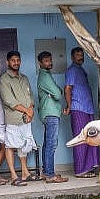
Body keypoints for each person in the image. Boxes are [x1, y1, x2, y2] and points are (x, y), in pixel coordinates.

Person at [0, 51, 39, 186]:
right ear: (7, 62)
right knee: (10, 145)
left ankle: (25, 173)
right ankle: (13, 175)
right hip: (13, 118)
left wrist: (31, 111)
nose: (16, 63)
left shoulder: (24, 78)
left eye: (18, 60)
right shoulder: (4, 79)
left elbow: (30, 96)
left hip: (26, 118)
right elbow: (9, 100)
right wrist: (27, 111)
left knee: (24, 145)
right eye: (13, 60)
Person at [64, 47, 100, 178]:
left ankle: (89, 167)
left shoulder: (81, 70)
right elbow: (67, 89)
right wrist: (69, 106)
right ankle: (80, 170)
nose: (80, 57)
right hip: (78, 108)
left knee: (91, 138)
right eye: (78, 55)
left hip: (88, 108)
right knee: (80, 139)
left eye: (81, 55)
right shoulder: (72, 70)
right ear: (72, 57)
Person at [37, 51, 69, 183]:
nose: (49, 63)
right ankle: (50, 175)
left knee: (47, 144)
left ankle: (46, 172)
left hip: (50, 113)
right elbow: (57, 93)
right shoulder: (44, 76)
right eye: (46, 61)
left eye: (50, 60)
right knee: (51, 144)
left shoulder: (47, 75)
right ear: (40, 63)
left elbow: (56, 93)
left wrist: (56, 92)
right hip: (50, 114)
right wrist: (56, 92)